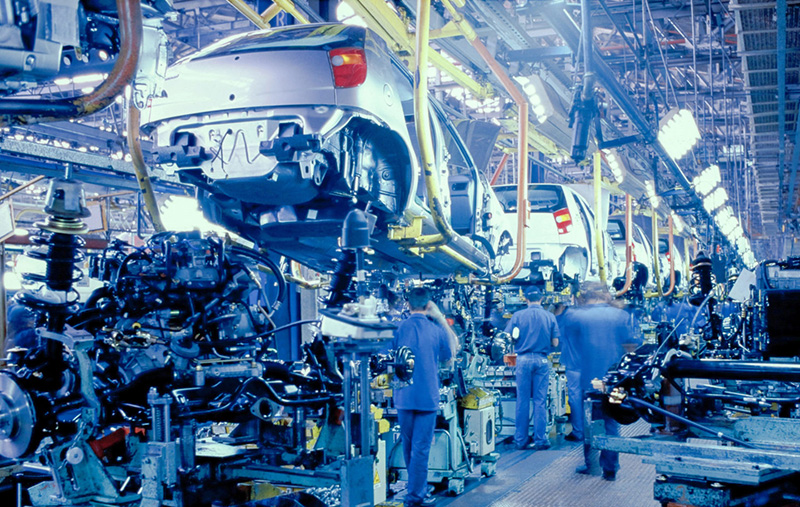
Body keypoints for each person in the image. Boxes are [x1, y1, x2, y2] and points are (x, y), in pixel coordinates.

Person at [565, 282, 637, 481]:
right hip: (615, 380)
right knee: (612, 420)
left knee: (589, 422)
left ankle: (592, 465)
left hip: (588, 379)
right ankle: (610, 468)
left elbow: (569, 348)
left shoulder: (575, 316)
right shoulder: (620, 316)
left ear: (585, 295)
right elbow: (630, 347)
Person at [392, 287, 455, 507]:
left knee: (409, 447)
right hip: (427, 396)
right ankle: (416, 496)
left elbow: (387, 359)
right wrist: (439, 318)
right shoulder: (436, 329)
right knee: (421, 448)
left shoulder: (399, 328)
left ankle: (416, 489)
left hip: (404, 395)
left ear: (407, 304)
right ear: (429, 304)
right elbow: (449, 357)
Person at [505, 286, 559, 450]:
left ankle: (521, 440)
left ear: (526, 299)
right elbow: (555, 343)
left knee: (522, 400)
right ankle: (540, 440)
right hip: (542, 360)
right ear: (541, 299)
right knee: (540, 401)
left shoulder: (517, 316)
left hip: (523, 360)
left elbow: (508, 338)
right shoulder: (549, 316)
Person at [555, 301, 582, 442]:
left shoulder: (567, 319)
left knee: (575, 398)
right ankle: (592, 429)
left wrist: (559, 308)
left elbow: (556, 334)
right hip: (591, 364)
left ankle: (579, 431)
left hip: (574, 365)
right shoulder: (586, 319)